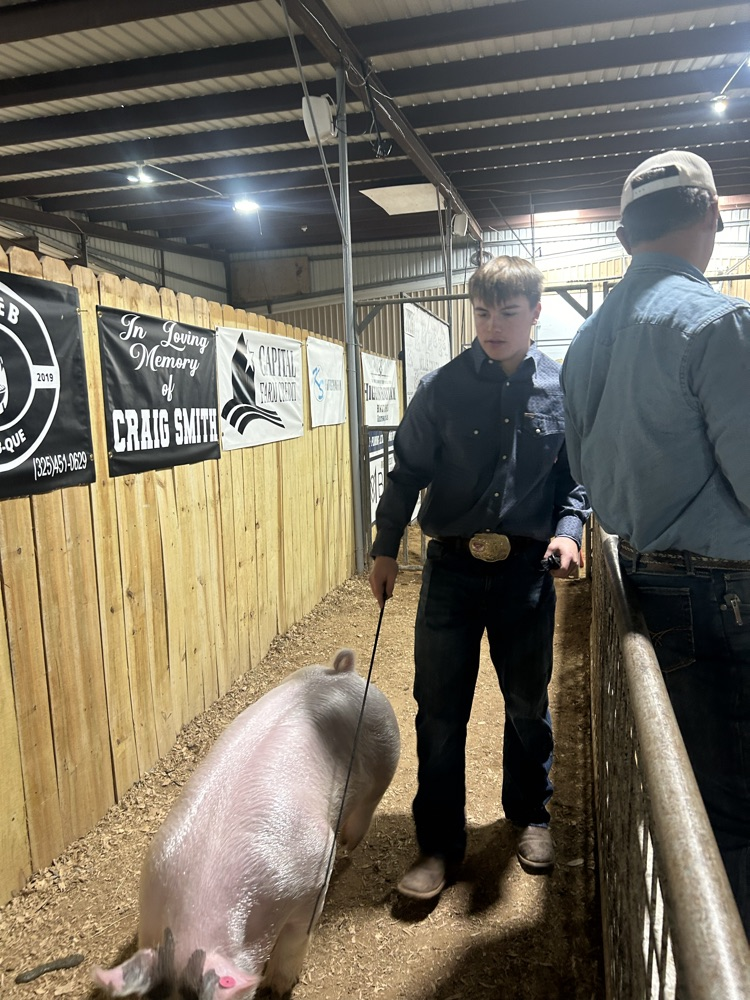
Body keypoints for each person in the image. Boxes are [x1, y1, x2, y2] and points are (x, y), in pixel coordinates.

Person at [560, 149, 750, 935]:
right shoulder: (716, 322)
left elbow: (583, 469)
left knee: (685, 789)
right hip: (722, 596)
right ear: (712, 214)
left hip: (639, 574)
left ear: (623, 232)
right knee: (733, 805)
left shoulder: (584, 342)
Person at [369, 256, 590, 900]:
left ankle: (529, 814)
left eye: (508, 312)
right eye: (483, 312)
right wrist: (385, 548)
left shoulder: (560, 390)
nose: (493, 325)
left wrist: (567, 533)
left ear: (536, 314)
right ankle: (439, 843)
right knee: (439, 711)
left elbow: (573, 481)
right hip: (451, 575)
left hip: (525, 573)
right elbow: (406, 470)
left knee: (527, 703)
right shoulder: (440, 388)